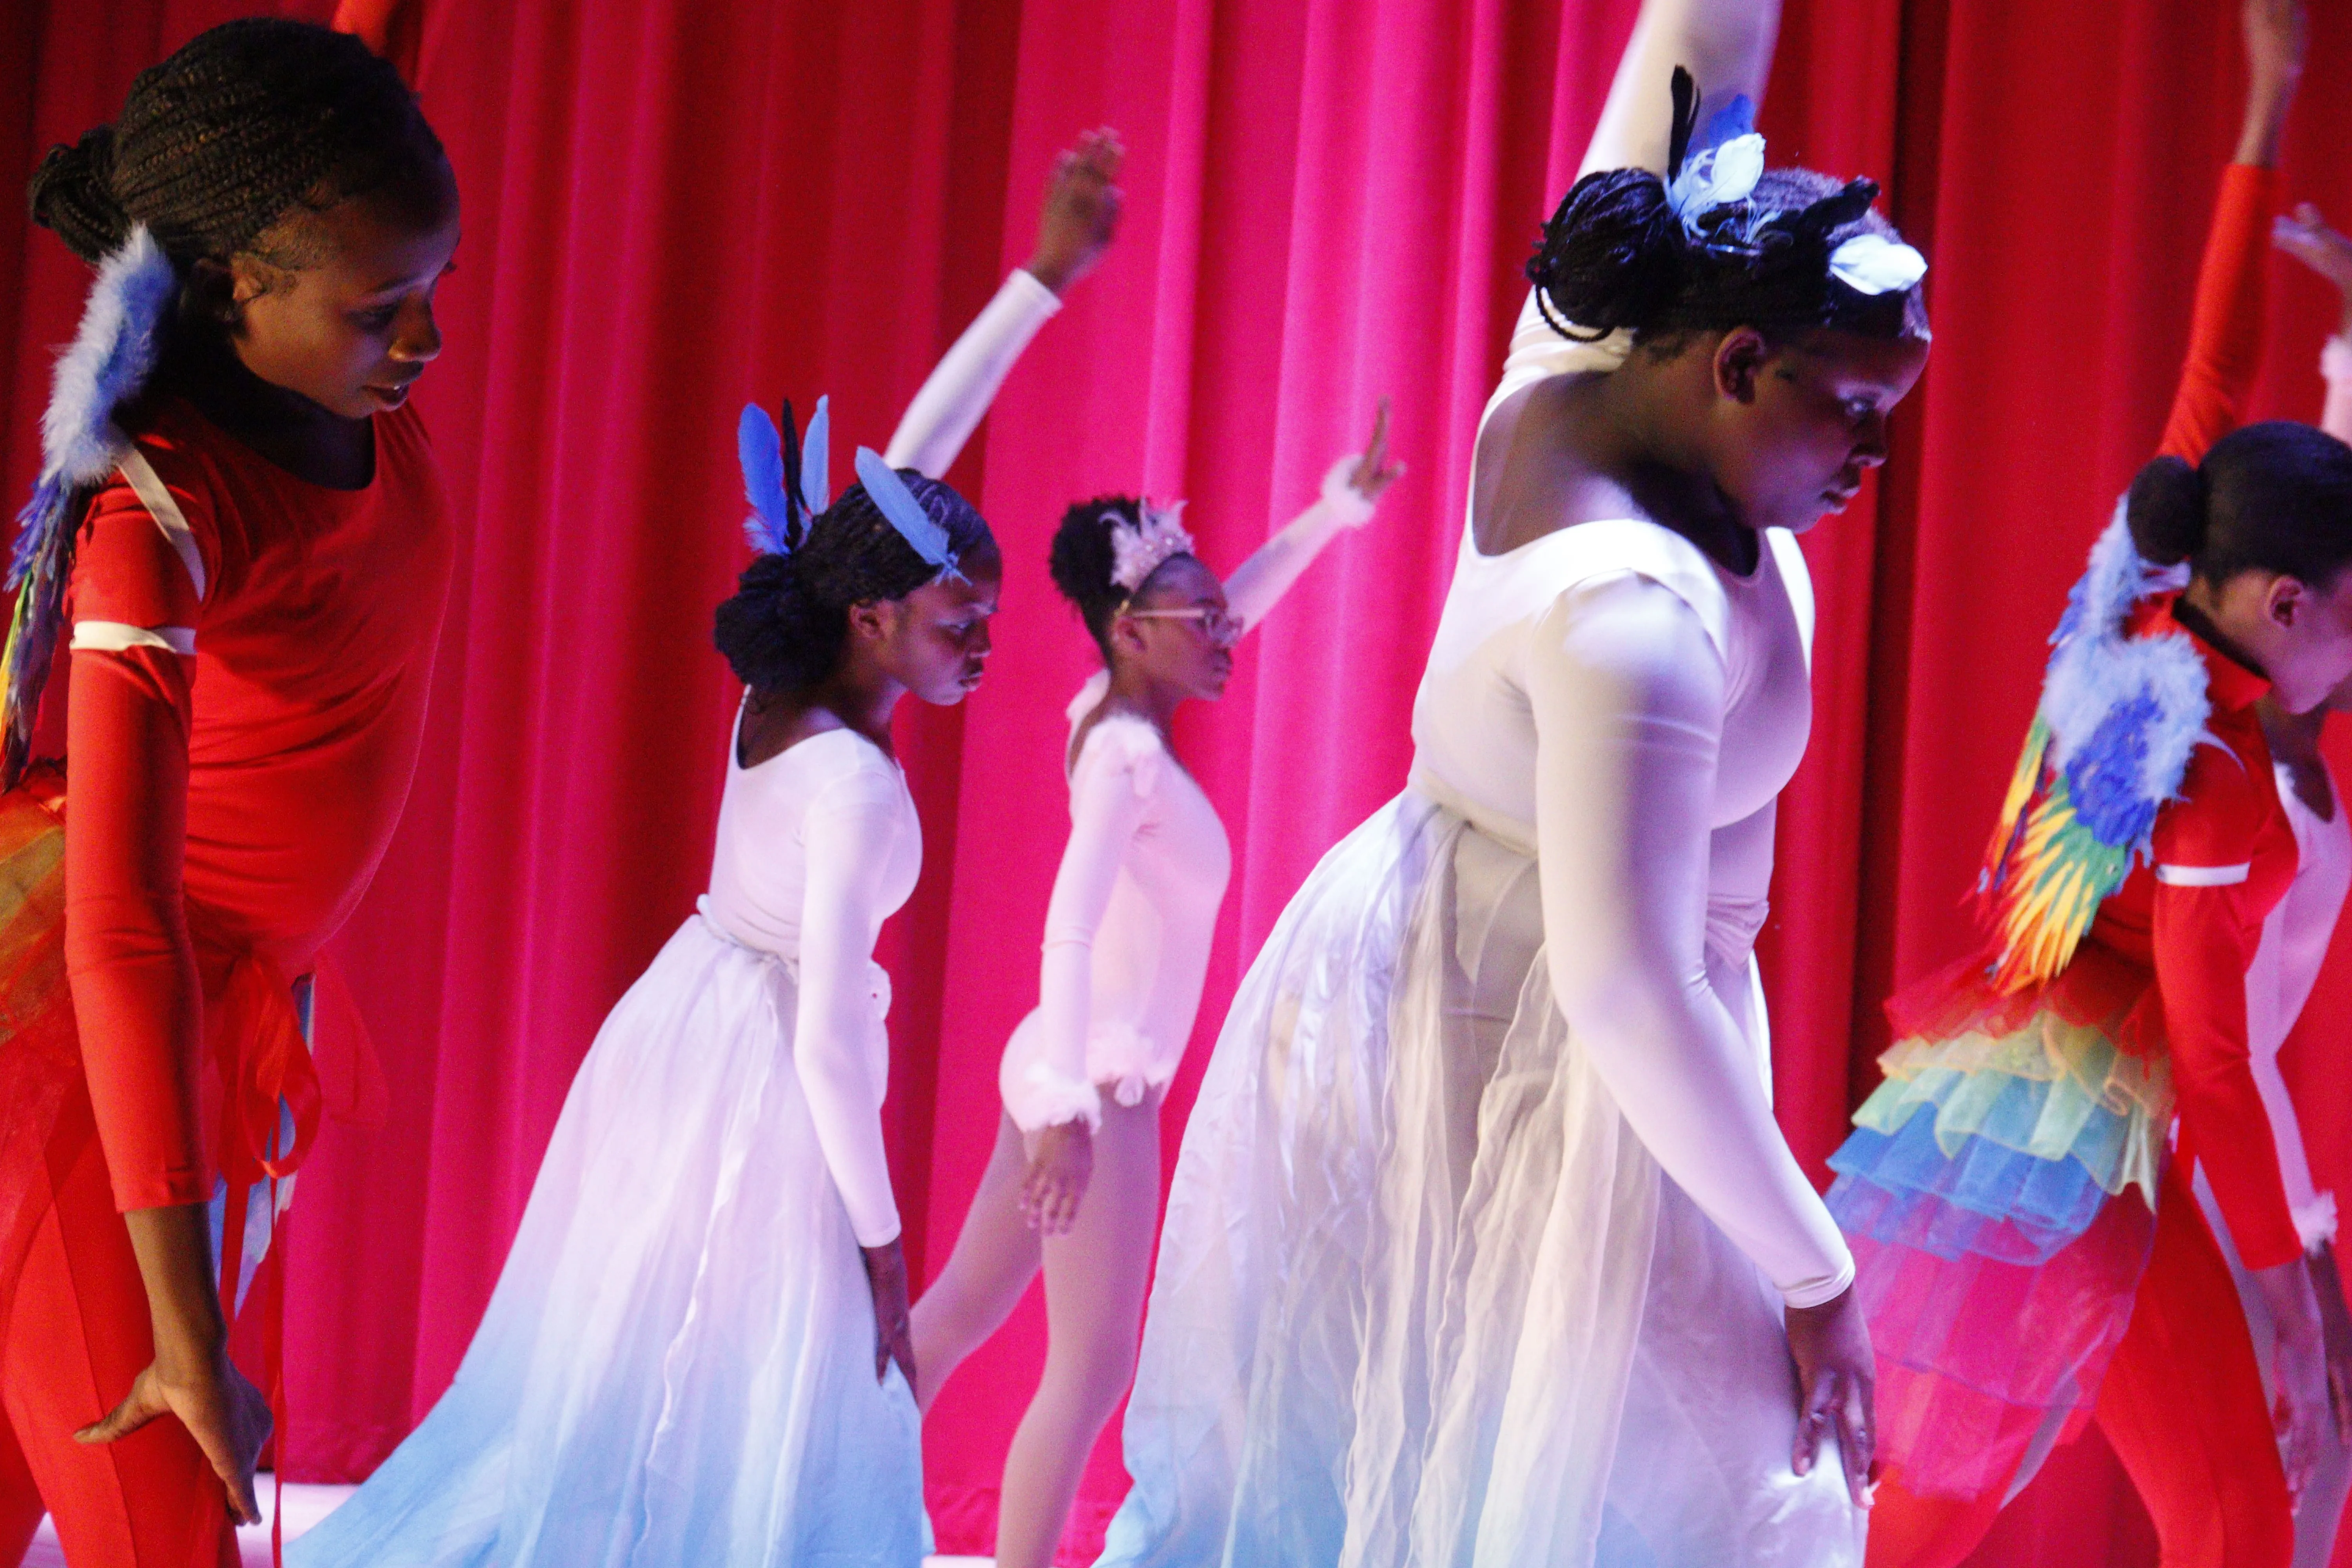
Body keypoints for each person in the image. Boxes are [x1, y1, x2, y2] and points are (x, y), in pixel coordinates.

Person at [1093, 0, 1934, 1559]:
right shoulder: (1635, 620)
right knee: (1698, 1492)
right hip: (1531, 1039)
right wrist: (1817, 1278)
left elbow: (1703, 46)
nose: (1877, 456)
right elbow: (1628, 988)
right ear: (1739, 363)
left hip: (1525, 993)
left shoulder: (1604, 337)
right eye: (1860, 411)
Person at [1821, 9, 2352, 1567]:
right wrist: (2291, 1303)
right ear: (2287, 606)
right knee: (2228, 1512)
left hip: (2055, 1107)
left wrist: (2264, 108)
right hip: (2079, 1130)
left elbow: (2215, 362)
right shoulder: (2216, 785)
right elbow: (2212, 1057)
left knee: (1953, 1512)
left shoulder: (2158, 577)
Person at [286, 407, 998, 1566]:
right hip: (764, 1070)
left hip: (686, 1019)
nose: (983, 644)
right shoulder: (858, 788)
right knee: (769, 1363)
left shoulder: (777, 696)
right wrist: (883, 1252)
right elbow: (825, 1043)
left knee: (647, 1334)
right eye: (962, 620)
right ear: (872, 616)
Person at [0, 21, 458, 1566]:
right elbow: (121, 935)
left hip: (218, 1015)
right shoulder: (164, 513)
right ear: (228, 287)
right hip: (93, 1050)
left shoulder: (330, 332)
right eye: (386, 308)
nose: (427, 337)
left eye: (435, 287)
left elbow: (368, 61)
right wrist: (187, 1334)